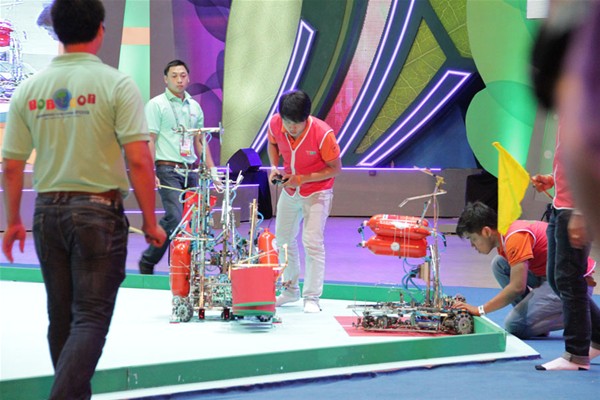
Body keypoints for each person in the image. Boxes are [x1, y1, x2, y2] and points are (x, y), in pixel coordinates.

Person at [1, 0, 166, 398]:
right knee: (90, 318)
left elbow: (12, 164)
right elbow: (139, 160)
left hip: (46, 214)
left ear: (56, 31)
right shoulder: (117, 84)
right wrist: (150, 220)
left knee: (61, 317)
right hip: (98, 213)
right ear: (100, 31)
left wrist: (14, 221)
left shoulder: (29, 88)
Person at [138, 59, 219, 275]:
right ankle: (148, 260)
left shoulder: (194, 106)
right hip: (167, 169)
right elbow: (150, 140)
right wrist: (150, 171)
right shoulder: (156, 105)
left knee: (190, 221)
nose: (179, 80)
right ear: (166, 79)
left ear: (188, 78)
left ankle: (183, 267)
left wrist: (212, 170)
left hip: (190, 170)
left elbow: (200, 141)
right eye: (174, 76)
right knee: (175, 217)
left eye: (183, 75)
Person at [267, 89, 342, 313]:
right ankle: (289, 290)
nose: (292, 127)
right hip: (290, 190)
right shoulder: (275, 123)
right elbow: (272, 143)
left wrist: (302, 178)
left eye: (297, 123)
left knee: (312, 242)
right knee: (283, 240)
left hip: (318, 191)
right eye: (288, 122)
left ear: (306, 118)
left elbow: (335, 169)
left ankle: (312, 297)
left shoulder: (323, 133)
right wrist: (274, 167)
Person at [454, 202, 566, 339]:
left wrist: (480, 309)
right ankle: (535, 320)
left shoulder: (514, 237)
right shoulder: (504, 234)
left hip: (567, 280)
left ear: (487, 232)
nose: (472, 245)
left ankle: (579, 314)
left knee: (514, 325)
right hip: (548, 273)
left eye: (473, 239)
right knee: (499, 264)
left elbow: (517, 287)